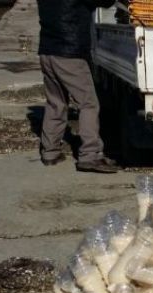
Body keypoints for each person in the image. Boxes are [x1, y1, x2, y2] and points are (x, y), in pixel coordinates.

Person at [37, 0, 120, 173]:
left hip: (47, 50)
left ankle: (50, 152)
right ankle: (90, 156)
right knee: (88, 103)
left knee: (56, 102)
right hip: (70, 52)